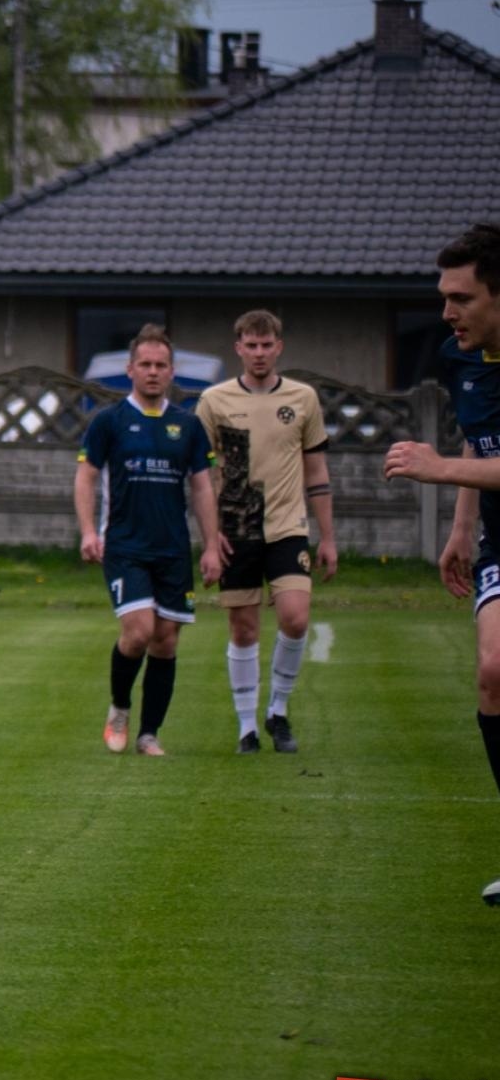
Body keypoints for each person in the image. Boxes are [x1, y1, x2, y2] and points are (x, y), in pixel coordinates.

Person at [384, 221, 500, 907]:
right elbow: (480, 442)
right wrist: (461, 528)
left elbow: (460, 457)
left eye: (462, 298)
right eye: (444, 297)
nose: (447, 312)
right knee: (494, 672)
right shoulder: (462, 360)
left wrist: (438, 468)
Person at [74, 325, 222, 756]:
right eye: (145, 364)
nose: (153, 372)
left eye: (161, 365)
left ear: (172, 371)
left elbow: (202, 487)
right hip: (124, 546)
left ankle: (148, 735)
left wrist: (212, 545)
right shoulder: (109, 422)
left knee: (166, 639)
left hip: (172, 548)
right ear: (130, 370)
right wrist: (88, 531)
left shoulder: (188, 425)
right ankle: (120, 707)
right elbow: (85, 477)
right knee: (139, 632)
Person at [195, 310, 337, 754]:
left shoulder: (303, 398)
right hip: (236, 529)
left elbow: (317, 471)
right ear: (238, 348)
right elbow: (200, 477)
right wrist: (210, 538)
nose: (259, 353)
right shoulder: (213, 401)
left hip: (288, 527)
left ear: (279, 347)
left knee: (295, 617)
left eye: (266, 344)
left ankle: (277, 709)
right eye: (251, 345)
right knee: (244, 629)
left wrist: (328, 537)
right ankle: (246, 727)